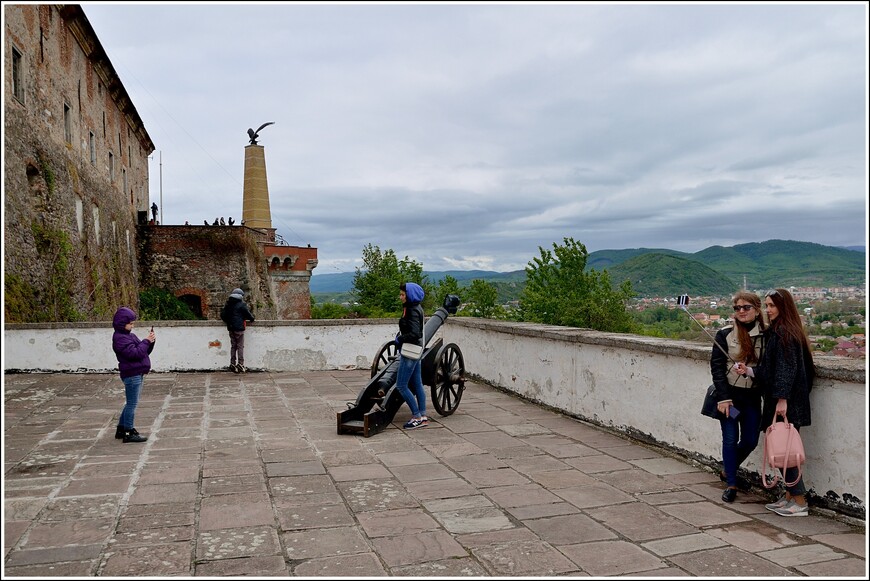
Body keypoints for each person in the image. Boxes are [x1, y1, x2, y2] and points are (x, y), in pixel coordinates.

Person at [736, 288, 814, 517]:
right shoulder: (783, 331)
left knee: (785, 453)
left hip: (785, 403)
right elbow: (773, 370)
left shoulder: (785, 334)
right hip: (785, 400)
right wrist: (750, 370)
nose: (768, 310)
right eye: (767, 305)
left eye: (772, 305)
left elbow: (785, 371)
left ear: (783, 307)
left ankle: (799, 501)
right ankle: (790, 497)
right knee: (784, 450)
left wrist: (782, 399)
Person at [710, 291, 766, 503]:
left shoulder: (766, 335)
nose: (741, 311)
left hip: (751, 397)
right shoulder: (725, 334)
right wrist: (724, 398)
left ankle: (727, 470)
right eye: (737, 308)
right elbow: (716, 367)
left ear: (756, 309)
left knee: (750, 439)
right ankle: (731, 483)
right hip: (730, 399)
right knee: (731, 439)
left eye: (746, 307)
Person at [111, 307, 154, 443]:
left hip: (137, 372)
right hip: (131, 374)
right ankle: (128, 432)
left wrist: (150, 342)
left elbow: (143, 351)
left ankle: (121, 428)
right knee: (132, 404)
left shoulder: (129, 335)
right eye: (131, 323)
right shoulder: (120, 338)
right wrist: (146, 341)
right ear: (122, 323)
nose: (132, 325)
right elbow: (134, 354)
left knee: (130, 403)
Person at [394, 282, 428, 429]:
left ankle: (416, 416)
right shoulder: (416, 308)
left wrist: (400, 339)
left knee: (401, 385)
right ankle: (423, 415)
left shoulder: (412, 310)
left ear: (410, 295)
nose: (400, 297)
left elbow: (415, 334)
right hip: (416, 350)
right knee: (417, 383)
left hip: (410, 350)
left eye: (403, 294)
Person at [220, 288, 255, 373]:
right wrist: (252, 318)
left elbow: (223, 316)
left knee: (233, 346)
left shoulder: (228, 304)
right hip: (239, 328)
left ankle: (232, 363)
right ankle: (240, 364)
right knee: (240, 346)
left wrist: (229, 321)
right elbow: (248, 315)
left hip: (231, 328)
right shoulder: (241, 304)